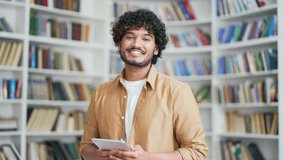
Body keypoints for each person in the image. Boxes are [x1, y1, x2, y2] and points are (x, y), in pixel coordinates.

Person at [80, 9, 208, 160]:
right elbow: (85, 147)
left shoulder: (177, 91)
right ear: (119, 45)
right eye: (129, 37)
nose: (136, 44)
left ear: (156, 48)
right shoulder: (101, 92)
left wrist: (147, 157)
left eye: (146, 39)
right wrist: (97, 155)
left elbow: (197, 152)